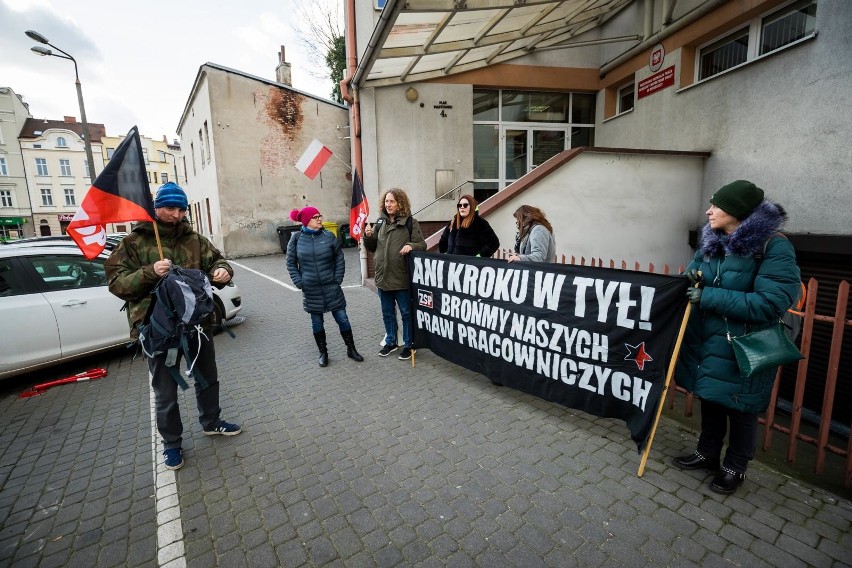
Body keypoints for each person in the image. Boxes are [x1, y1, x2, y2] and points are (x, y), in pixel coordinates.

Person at [673, 180, 801, 495]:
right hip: (709, 340)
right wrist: (682, 284)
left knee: (741, 409)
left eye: (715, 205)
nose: (708, 211)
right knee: (712, 398)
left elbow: (770, 303)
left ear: (736, 211)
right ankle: (707, 453)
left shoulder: (773, 246)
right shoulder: (712, 241)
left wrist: (707, 297)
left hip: (743, 344)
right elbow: (691, 275)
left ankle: (735, 468)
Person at [105, 182, 242, 471]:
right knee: (165, 390)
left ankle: (211, 422)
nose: (176, 214)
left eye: (181, 209)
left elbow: (218, 260)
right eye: (170, 208)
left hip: (197, 324)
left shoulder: (194, 239)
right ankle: (172, 444)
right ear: (156, 208)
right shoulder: (133, 242)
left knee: (207, 377)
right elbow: (117, 283)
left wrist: (222, 271)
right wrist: (149, 272)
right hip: (158, 330)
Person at [286, 206, 363, 367]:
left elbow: (339, 259)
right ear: (307, 221)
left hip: (331, 287)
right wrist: (300, 282)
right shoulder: (296, 239)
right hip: (311, 289)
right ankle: (323, 353)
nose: (319, 219)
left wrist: (337, 279)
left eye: (320, 215)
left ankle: (351, 349)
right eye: (315, 217)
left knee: (342, 319)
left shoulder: (328, 236)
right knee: (317, 323)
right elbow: (291, 263)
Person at [363, 188, 426, 361]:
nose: (388, 204)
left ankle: (408, 344)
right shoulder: (380, 223)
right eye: (386, 201)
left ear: (400, 203)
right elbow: (372, 247)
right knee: (387, 312)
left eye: (392, 201)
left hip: (401, 277)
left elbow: (422, 245)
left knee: (406, 313)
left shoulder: (410, 223)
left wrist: (412, 245)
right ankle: (391, 341)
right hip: (383, 276)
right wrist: (368, 236)